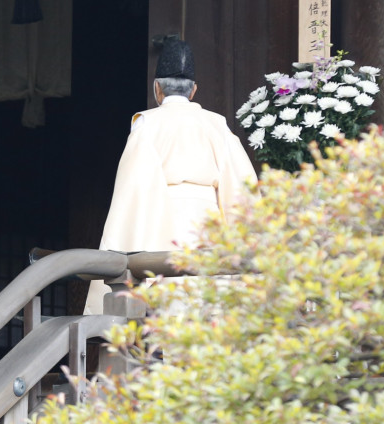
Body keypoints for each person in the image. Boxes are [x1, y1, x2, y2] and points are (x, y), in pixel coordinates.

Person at [84, 39, 257, 315]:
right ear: (194, 91)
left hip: (163, 232)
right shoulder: (217, 125)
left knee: (170, 317)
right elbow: (240, 190)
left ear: (157, 89)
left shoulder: (147, 124)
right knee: (210, 316)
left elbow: (133, 192)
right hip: (211, 235)